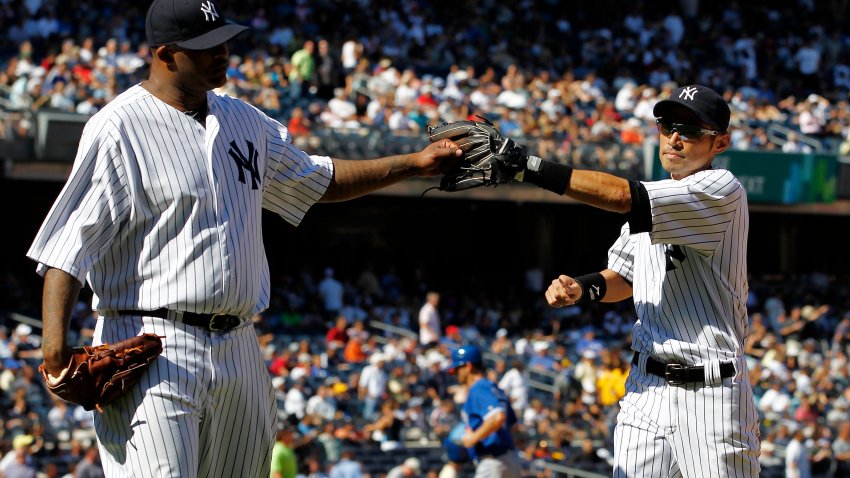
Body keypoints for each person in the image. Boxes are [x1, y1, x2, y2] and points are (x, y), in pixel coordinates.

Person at [25, 1, 462, 477]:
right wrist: (54, 355)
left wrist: (413, 163)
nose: (223, 52)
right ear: (166, 54)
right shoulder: (118, 127)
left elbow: (319, 180)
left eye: (223, 40)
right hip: (151, 344)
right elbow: (68, 247)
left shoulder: (245, 121)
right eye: (206, 46)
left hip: (240, 344)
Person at [534, 85, 759, 477]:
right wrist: (583, 287)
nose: (675, 137)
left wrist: (529, 166)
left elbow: (623, 197)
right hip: (645, 389)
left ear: (720, 142)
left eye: (690, 130)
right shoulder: (656, 198)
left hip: (710, 392)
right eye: (668, 125)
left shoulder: (724, 190)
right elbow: (623, 276)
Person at [447, 345, 521, 478]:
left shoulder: (478, 388)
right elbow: (514, 427)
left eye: (458, 369)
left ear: (468, 366)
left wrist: (473, 438)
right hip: (510, 459)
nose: (455, 374)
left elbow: (498, 417)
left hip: (493, 461)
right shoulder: (495, 388)